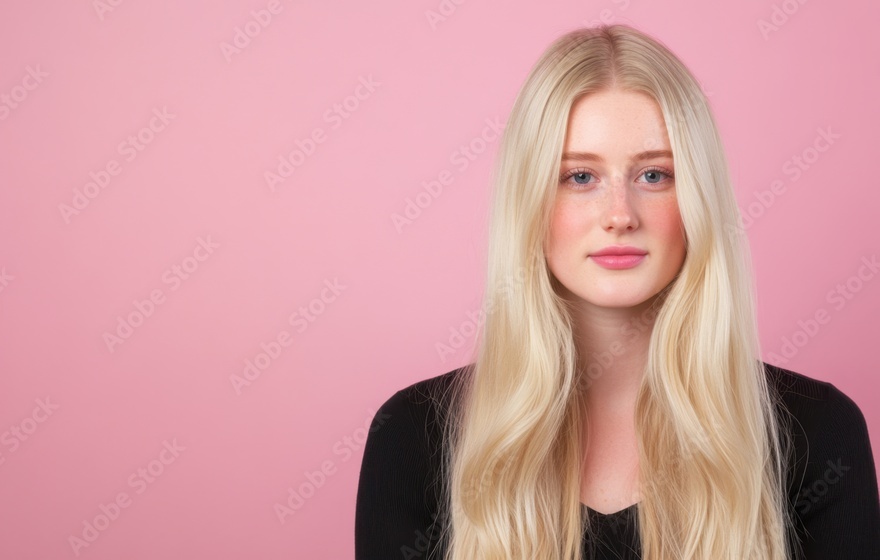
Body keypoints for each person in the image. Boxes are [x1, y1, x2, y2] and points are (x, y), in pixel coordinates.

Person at [354, 23, 880, 560]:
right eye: (580, 177)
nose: (620, 216)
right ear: (529, 200)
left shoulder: (820, 434)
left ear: (699, 197)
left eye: (654, 175)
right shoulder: (413, 439)